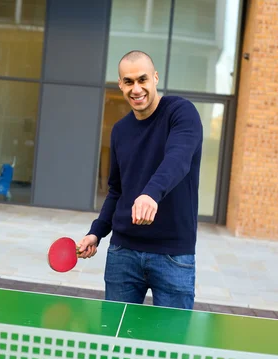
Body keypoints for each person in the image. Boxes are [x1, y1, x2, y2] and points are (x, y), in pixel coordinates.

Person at [77, 50, 203, 310]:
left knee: (172, 342)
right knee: (116, 338)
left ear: (155, 78)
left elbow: (178, 159)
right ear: (121, 85)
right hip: (123, 253)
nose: (136, 89)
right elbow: (117, 190)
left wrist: (151, 193)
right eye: (129, 81)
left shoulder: (181, 113)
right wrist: (96, 232)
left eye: (142, 79)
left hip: (173, 254)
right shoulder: (120, 130)